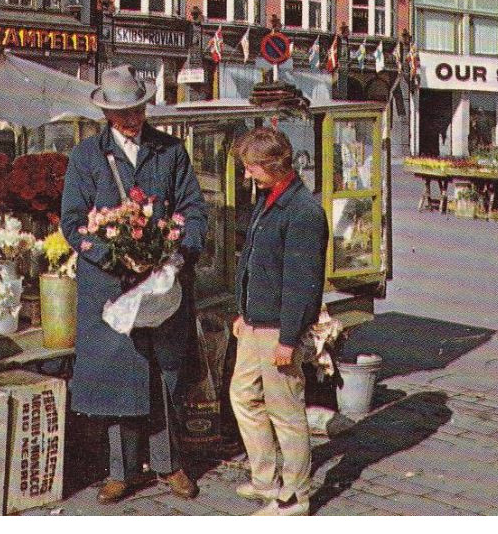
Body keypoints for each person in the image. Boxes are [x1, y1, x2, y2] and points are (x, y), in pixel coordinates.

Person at [61, 65, 207, 504]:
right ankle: (119, 472)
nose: (132, 118)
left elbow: (194, 209)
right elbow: (71, 221)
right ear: (107, 113)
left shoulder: (171, 152)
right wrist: (109, 255)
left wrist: (180, 254)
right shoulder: (86, 157)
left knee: (165, 374)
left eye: (137, 109)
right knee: (116, 377)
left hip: (162, 286)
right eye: (122, 112)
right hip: (109, 288)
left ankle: (169, 464)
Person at [227, 127, 328, 516]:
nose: (247, 175)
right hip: (255, 323)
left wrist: (289, 339)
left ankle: (294, 498)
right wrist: (242, 311)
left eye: (251, 168)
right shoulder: (270, 199)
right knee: (243, 395)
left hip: (277, 331)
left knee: (286, 412)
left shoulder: (303, 211)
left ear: (273, 165)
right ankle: (266, 478)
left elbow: (302, 284)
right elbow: (254, 261)